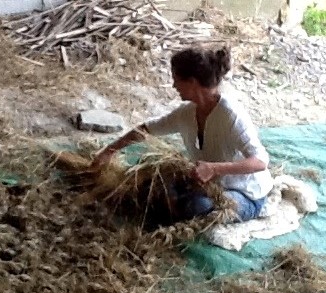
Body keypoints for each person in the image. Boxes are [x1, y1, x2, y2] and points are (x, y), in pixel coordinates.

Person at [90, 45, 273, 222]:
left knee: (195, 207)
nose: (174, 85)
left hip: (244, 194)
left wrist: (214, 168)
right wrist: (109, 151)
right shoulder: (186, 113)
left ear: (192, 82)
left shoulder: (231, 115)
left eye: (176, 79)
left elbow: (260, 161)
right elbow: (146, 129)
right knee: (151, 184)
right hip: (205, 184)